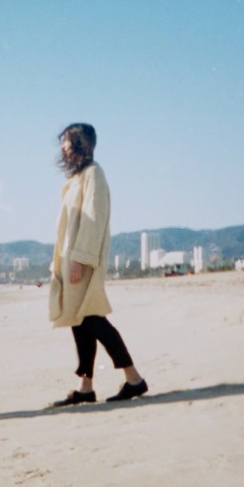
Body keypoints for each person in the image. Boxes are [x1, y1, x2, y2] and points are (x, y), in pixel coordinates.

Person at [48, 123, 148, 406]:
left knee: (92, 319)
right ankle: (86, 386)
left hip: (83, 259)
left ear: (80, 143)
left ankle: (134, 379)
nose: (63, 147)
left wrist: (79, 259)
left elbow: (92, 219)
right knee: (80, 321)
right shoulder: (80, 177)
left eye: (67, 141)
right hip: (74, 258)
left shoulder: (94, 174)